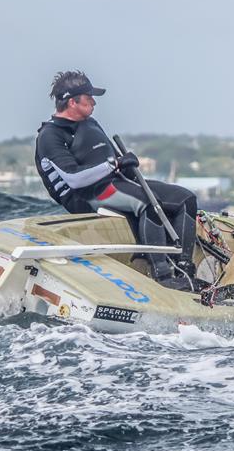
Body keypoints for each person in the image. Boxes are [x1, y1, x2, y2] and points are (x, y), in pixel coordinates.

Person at [34, 70, 198, 289]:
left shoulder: (90, 124)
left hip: (115, 183)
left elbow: (113, 163)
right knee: (149, 204)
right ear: (72, 102)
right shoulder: (50, 136)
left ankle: (185, 269)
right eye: (89, 97)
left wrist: (127, 167)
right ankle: (163, 276)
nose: (94, 102)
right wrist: (115, 164)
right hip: (86, 195)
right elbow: (74, 178)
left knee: (185, 198)